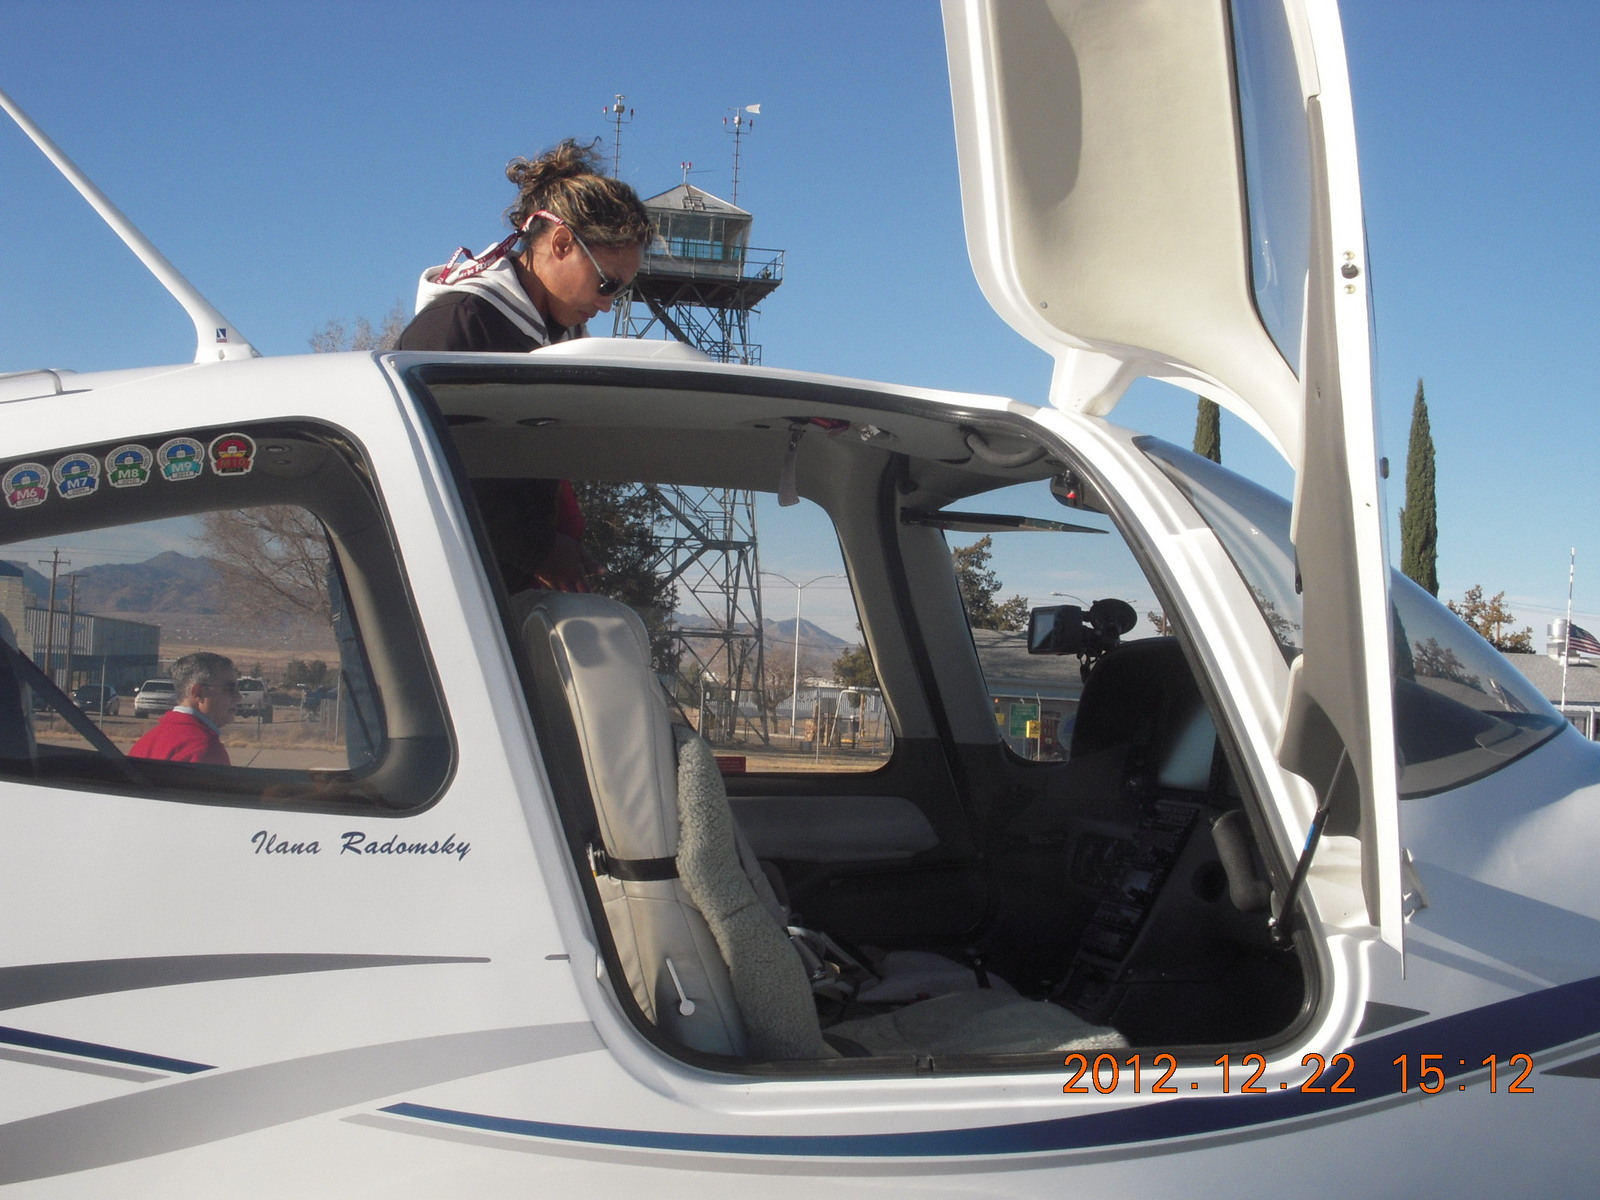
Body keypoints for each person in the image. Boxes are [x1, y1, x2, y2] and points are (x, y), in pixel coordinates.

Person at [399, 139, 654, 592]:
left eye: (619, 292)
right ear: (561, 244)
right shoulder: (460, 324)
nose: (607, 304)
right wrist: (537, 549)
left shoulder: (559, 336)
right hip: (421, 582)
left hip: (491, 579)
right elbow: (422, 468)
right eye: (607, 283)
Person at [129, 652, 238, 766]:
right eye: (230, 689)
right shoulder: (205, 749)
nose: (238, 697)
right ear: (198, 693)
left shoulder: (147, 741)